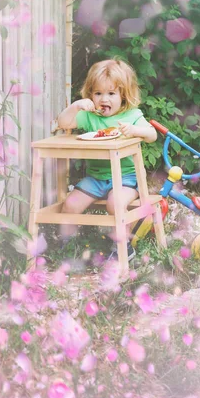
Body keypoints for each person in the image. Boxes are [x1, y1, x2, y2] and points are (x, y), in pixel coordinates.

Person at [56, 58, 157, 261]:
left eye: (111, 93)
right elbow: (63, 122)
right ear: (90, 95)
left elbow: (152, 134)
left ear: (123, 95)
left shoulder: (132, 115)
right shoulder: (90, 116)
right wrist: (76, 106)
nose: (104, 99)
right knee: (70, 205)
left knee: (115, 203)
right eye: (98, 93)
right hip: (96, 178)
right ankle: (68, 248)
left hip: (126, 178)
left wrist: (135, 130)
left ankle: (123, 246)